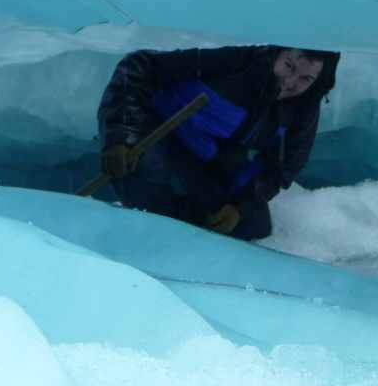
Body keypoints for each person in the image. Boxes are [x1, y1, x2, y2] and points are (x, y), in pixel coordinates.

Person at [96, 45, 340, 240]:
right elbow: (139, 66)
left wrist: (241, 206)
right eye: (288, 66)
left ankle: (187, 240)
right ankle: (141, 241)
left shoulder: (303, 109)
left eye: (306, 79)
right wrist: (121, 135)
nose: (291, 82)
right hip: (156, 134)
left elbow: (280, 169)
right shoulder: (236, 61)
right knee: (150, 167)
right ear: (276, 53)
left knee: (254, 224)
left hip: (203, 163)